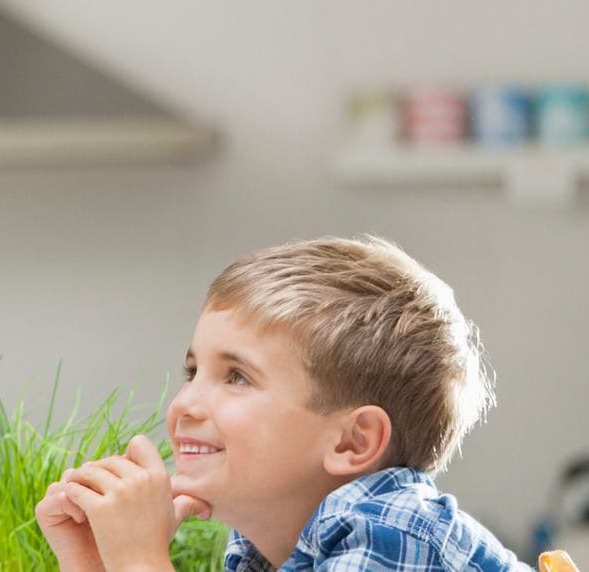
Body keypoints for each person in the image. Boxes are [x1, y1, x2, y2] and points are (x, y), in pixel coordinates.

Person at [36, 236, 525, 572]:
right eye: (193, 372)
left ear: (354, 442)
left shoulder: (394, 531)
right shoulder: (262, 550)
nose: (185, 403)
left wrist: (141, 560)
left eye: (237, 376)